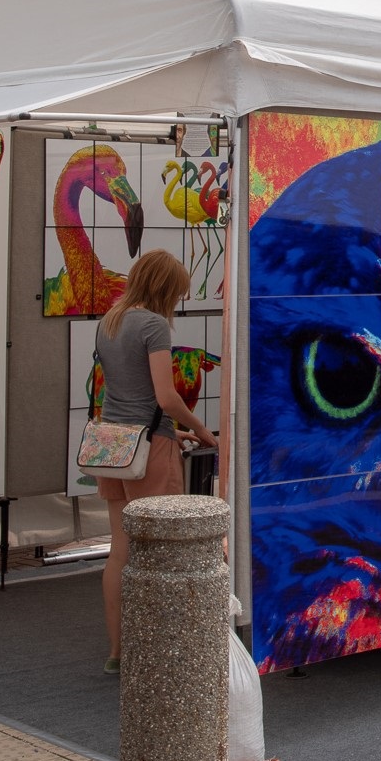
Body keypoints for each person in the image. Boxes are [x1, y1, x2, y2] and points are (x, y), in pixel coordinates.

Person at [94, 249, 218, 675]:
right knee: (164, 550)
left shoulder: (110, 321)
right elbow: (166, 397)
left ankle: (118, 652)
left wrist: (170, 429)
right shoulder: (153, 325)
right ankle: (161, 650)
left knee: (120, 549)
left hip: (114, 445)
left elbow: (124, 395)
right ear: (165, 288)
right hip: (150, 450)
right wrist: (200, 430)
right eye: (178, 292)